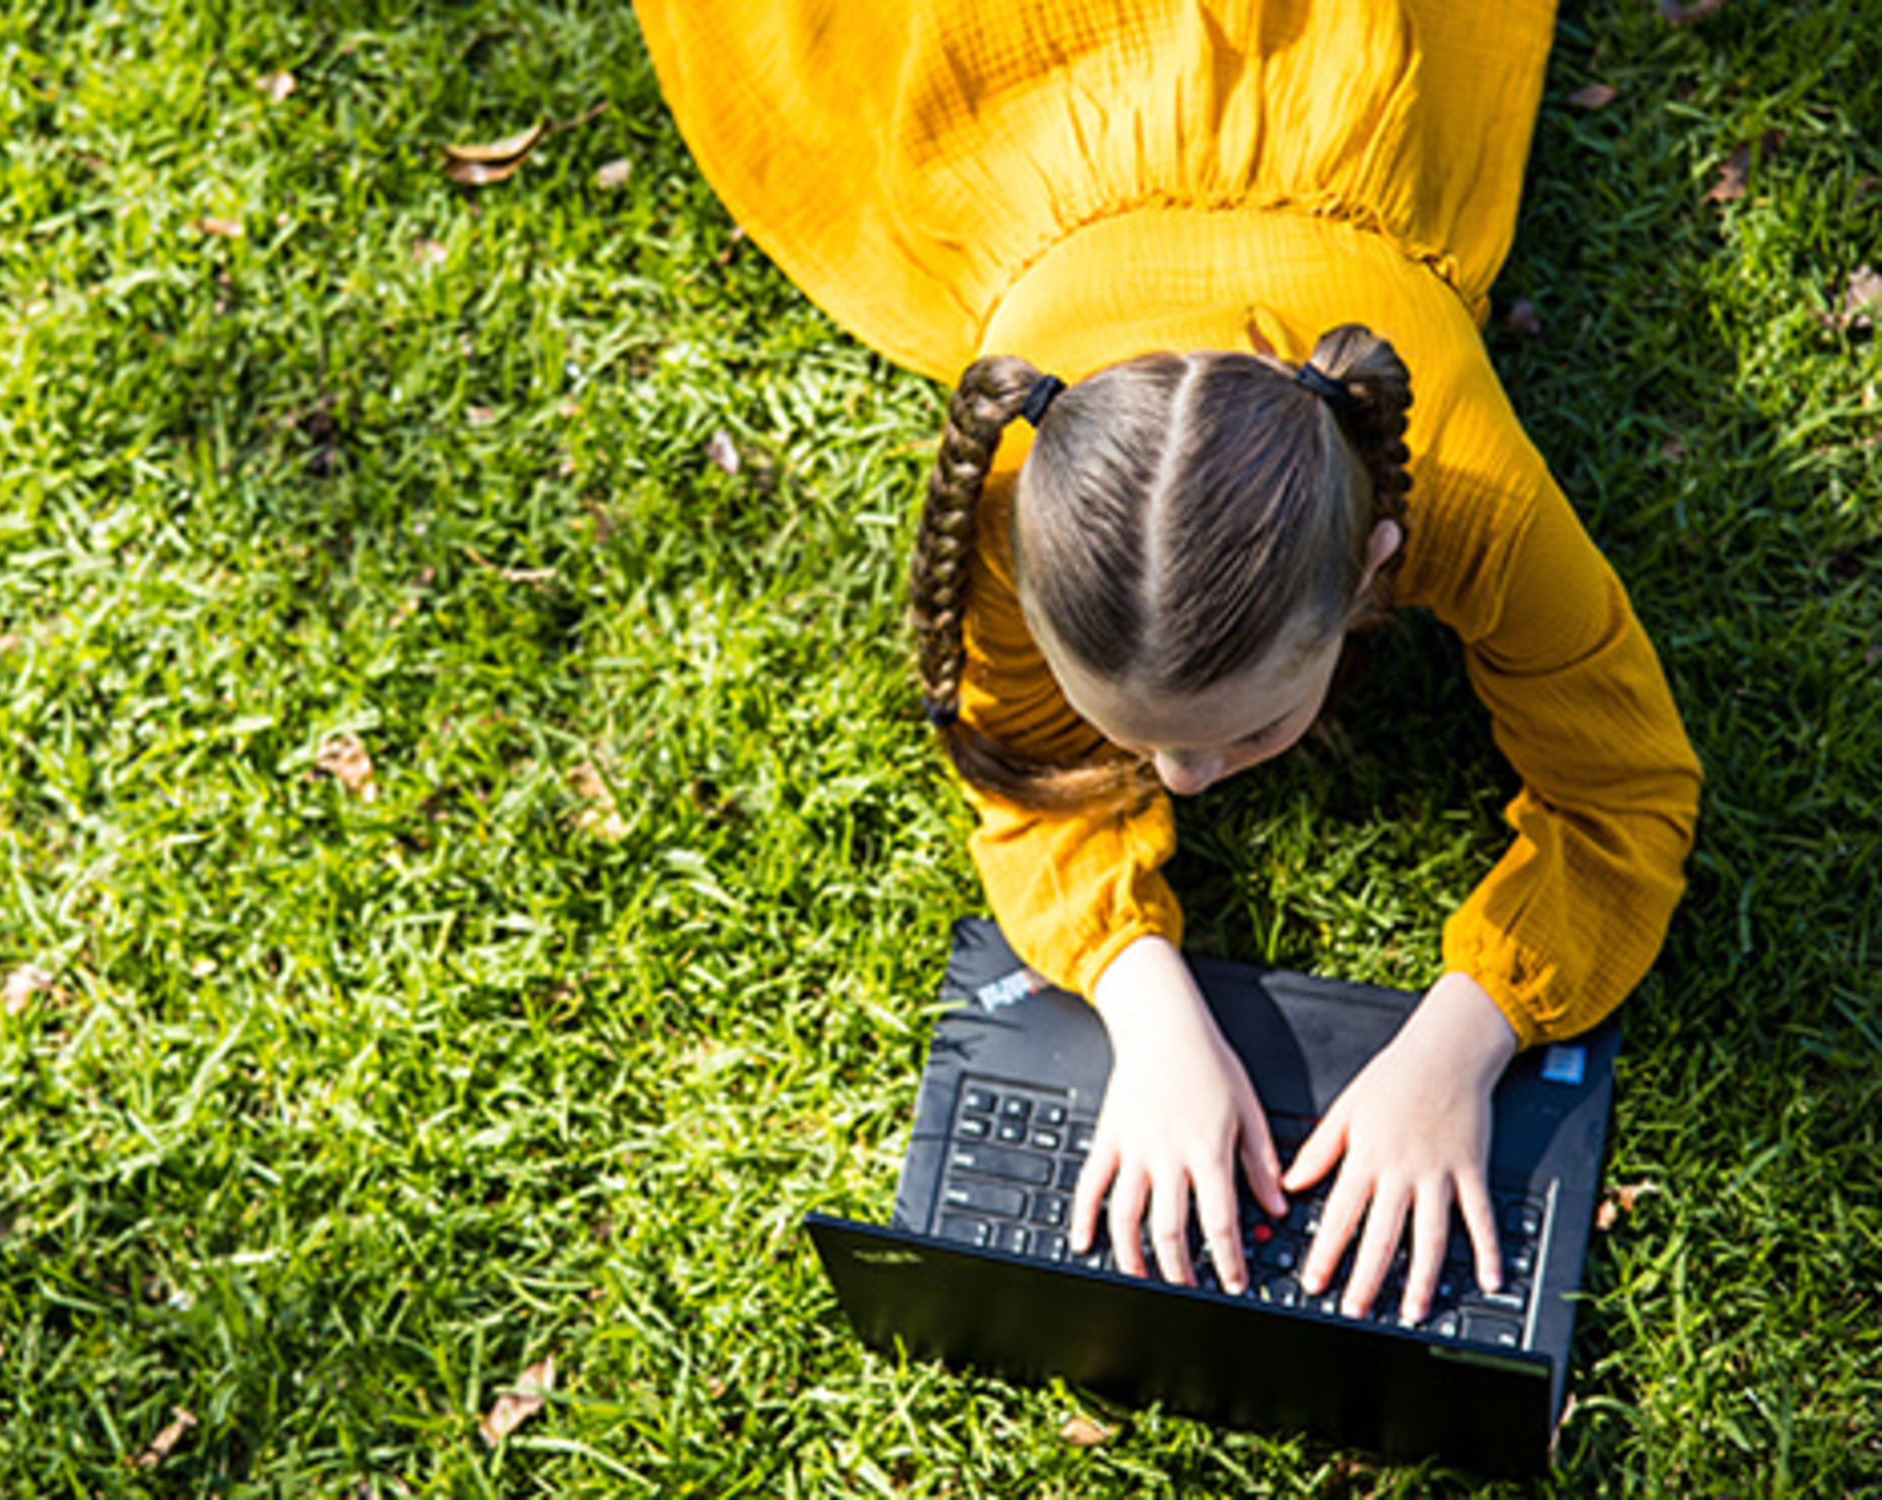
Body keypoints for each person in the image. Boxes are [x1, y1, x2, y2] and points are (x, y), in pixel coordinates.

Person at [633, 0, 1702, 1325]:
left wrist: (1461, 1045)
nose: (1186, 785)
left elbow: (1623, 789)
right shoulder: (1024, 484)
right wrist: (1145, 1007)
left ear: (1377, 562)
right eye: (1130, 736)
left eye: (1248, 733)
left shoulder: (1465, 493)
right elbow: (1019, 755)